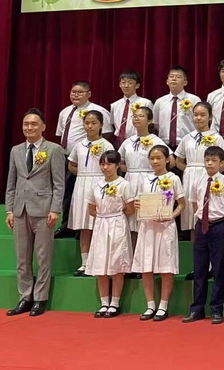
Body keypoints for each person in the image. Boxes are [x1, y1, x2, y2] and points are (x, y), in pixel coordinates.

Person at [5, 109, 65, 317]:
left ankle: (40, 298)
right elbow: (11, 182)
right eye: (26, 124)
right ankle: (25, 297)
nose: (29, 127)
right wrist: (9, 209)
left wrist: (55, 209)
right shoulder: (16, 150)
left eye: (34, 124)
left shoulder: (54, 150)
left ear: (43, 126)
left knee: (42, 257)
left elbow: (59, 183)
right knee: (22, 258)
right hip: (20, 209)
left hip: (44, 210)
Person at [182, 146, 224, 324]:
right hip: (201, 226)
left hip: (219, 225)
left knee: (219, 268)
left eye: (214, 161)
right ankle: (197, 308)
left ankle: (216, 309)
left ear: (221, 163)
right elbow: (195, 205)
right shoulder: (198, 181)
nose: (210, 164)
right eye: (207, 160)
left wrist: (221, 222)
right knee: (199, 269)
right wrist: (203, 220)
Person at [132, 144, 186, 322]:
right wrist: (138, 205)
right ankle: (150, 305)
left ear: (167, 159)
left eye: (159, 158)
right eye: (152, 158)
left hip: (165, 227)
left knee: (165, 266)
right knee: (146, 266)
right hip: (147, 227)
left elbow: (181, 204)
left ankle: (163, 305)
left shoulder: (173, 179)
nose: (155, 161)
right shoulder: (145, 179)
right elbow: (138, 201)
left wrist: (171, 216)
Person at [56, 81, 113, 236]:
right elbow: (60, 134)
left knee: (90, 195)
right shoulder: (65, 112)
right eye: (73, 92)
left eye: (80, 92)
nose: (76, 95)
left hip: (91, 160)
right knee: (69, 192)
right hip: (68, 156)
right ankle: (68, 225)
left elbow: (107, 133)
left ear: (89, 94)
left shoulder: (98, 110)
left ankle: (88, 227)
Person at [86, 151, 134, 318]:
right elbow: (91, 209)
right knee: (101, 264)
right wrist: (103, 217)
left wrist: (115, 215)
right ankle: (104, 302)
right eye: (102, 164)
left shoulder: (124, 184)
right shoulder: (96, 185)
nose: (105, 167)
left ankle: (115, 303)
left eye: (109, 164)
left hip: (117, 223)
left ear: (117, 165)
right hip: (101, 224)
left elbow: (130, 208)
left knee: (116, 264)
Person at [68, 111, 114, 276]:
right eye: (87, 123)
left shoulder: (106, 145)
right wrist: (82, 174)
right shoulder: (79, 145)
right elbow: (71, 164)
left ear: (101, 125)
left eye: (94, 123)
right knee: (84, 225)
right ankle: (85, 263)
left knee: (99, 224)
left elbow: (112, 166)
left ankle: (99, 262)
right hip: (82, 185)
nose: (90, 126)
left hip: (100, 184)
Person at [175, 102, 224, 238]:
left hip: (209, 177)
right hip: (190, 178)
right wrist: (189, 170)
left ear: (210, 117)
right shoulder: (187, 138)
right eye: (196, 115)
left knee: (207, 211)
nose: (198, 118)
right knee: (191, 216)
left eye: (202, 115)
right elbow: (178, 161)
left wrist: (212, 175)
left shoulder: (216, 137)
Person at [118, 106, 164, 254]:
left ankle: (148, 257)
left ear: (149, 120)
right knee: (131, 221)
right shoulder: (128, 142)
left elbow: (168, 160)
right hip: (130, 181)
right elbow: (120, 162)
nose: (137, 118)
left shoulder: (156, 140)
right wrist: (132, 170)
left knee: (147, 221)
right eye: (135, 116)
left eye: (141, 116)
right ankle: (132, 258)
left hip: (149, 181)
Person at [153, 65, 201, 151]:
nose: (174, 79)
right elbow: (156, 124)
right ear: (167, 81)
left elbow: (200, 122)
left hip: (188, 144)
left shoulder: (194, 100)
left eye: (178, 77)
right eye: (171, 76)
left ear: (185, 82)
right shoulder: (160, 102)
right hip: (165, 146)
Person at [110, 70, 152, 149]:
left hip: (139, 139)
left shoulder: (146, 103)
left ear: (137, 85)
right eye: (123, 82)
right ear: (120, 85)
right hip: (119, 142)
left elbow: (151, 124)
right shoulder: (114, 105)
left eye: (130, 83)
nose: (126, 85)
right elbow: (112, 124)